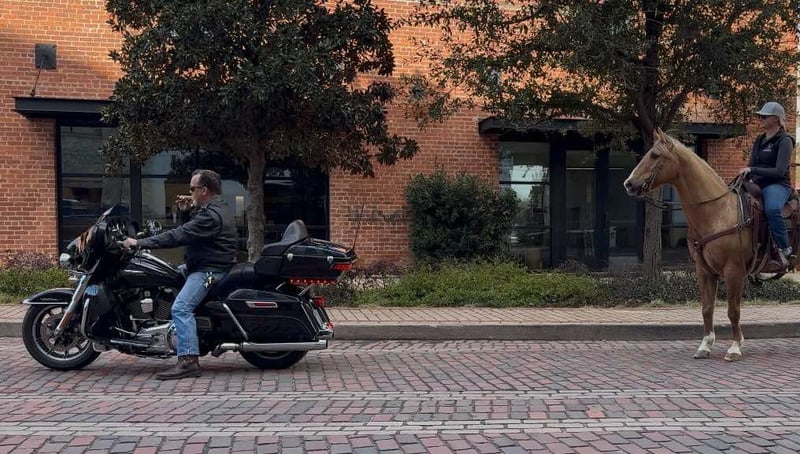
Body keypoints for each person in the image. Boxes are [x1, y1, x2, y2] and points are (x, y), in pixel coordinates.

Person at [122, 169, 238, 379]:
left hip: (209, 271)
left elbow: (179, 235)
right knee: (168, 277)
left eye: (192, 189)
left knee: (182, 308)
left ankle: (188, 361)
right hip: (204, 265)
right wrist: (185, 212)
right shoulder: (217, 207)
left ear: (204, 190)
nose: (189, 192)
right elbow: (191, 233)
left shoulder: (210, 215)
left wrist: (139, 243)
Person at [739, 101, 796, 267]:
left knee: (772, 209)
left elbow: (779, 171)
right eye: (760, 116)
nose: (760, 118)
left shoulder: (785, 140)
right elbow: (751, 164)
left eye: (764, 116)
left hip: (777, 184)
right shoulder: (759, 139)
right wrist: (746, 175)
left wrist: (752, 169)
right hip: (757, 183)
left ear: (776, 119)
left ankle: (785, 249)